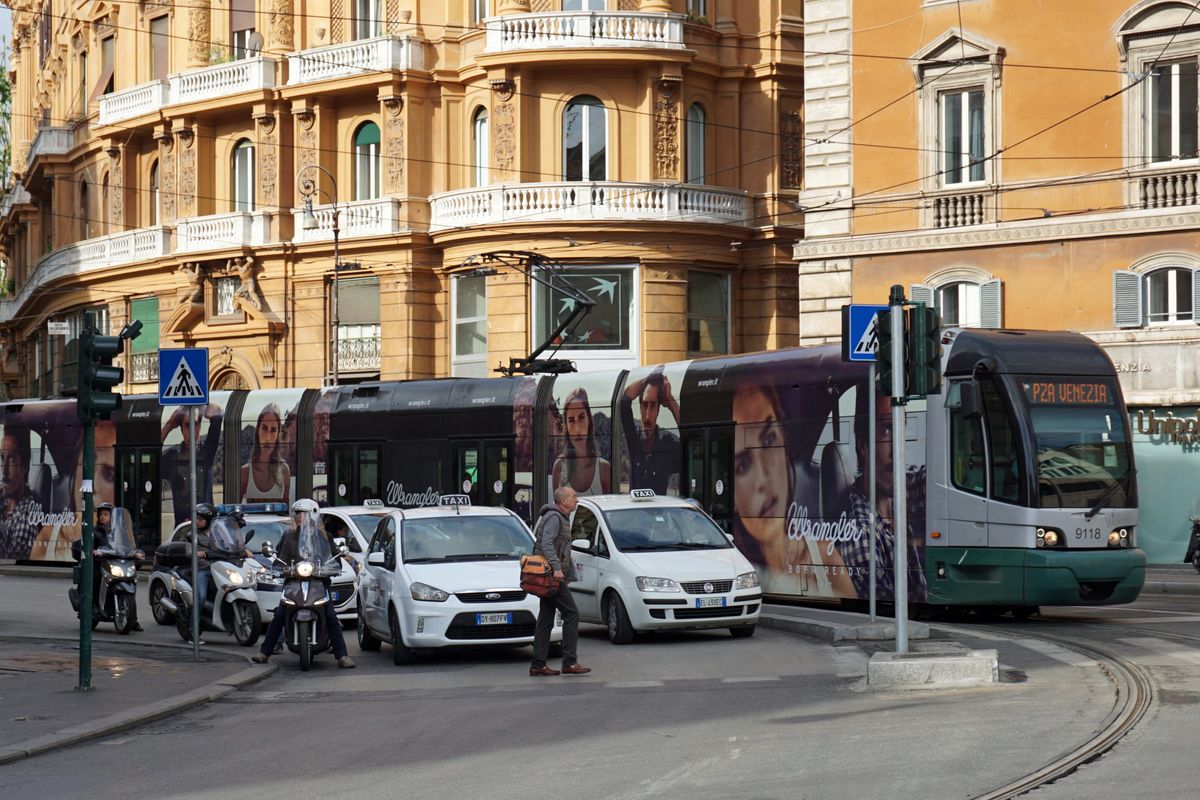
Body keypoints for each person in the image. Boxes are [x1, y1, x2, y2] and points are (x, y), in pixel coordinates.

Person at [730, 380, 855, 597]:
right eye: (742, 465)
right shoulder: (732, 568)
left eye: (769, 440)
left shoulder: (824, 555)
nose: (763, 479)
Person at [837, 391, 928, 603]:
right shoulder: (858, 529)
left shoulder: (893, 499)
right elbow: (882, 597)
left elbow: (926, 481)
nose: (897, 449)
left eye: (900, 428)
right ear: (863, 446)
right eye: (887, 430)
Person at [253, 499, 356, 668]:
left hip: (318, 582)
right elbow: (280, 558)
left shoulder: (324, 537)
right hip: (293, 582)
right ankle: (264, 652)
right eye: (297, 514)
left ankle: (342, 656)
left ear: (313, 515)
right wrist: (279, 567)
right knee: (279, 614)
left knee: (330, 614)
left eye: (304, 514)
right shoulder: (289, 536)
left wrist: (333, 565)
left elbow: (334, 557)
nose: (300, 517)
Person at [529, 486, 591, 677]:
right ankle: (570, 662)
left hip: (551, 575)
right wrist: (557, 569)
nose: (577, 500)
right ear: (563, 501)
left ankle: (538, 665)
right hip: (550, 575)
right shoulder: (555, 518)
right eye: (573, 497)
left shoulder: (559, 517)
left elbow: (563, 549)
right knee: (572, 613)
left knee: (546, 619)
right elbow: (547, 544)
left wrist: (567, 573)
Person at [619, 370, 681, 495]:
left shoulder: (667, 444)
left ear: (658, 410)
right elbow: (625, 399)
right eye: (644, 405)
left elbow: (691, 438)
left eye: (653, 406)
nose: (647, 416)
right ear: (640, 407)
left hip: (659, 513)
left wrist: (671, 401)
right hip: (635, 512)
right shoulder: (634, 439)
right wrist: (648, 380)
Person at [162, 404, 223, 526]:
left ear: (200, 426)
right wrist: (168, 425)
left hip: (205, 529)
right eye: (187, 425)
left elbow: (217, 412)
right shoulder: (172, 457)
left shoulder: (207, 452)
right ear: (181, 429)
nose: (191, 430)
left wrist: (197, 403)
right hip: (181, 529)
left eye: (195, 424)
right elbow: (149, 456)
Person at [551, 388, 611, 497]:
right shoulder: (559, 467)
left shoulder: (603, 469)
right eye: (571, 420)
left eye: (581, 418)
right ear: (566, 426)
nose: (577, 428)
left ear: (589, 420)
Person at [0, 425, 45, 560]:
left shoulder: (29, 513)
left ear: (24, 466)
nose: (4, 470)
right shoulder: (3, 501)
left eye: (12, 459)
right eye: (2, 458)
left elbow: (13, 557)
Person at [239, 403, 291, 504]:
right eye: (264, 428)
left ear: (277, 435)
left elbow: (285, 511)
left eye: (273, 430)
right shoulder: (245, 473)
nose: (268, 438)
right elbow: (235, 512)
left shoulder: (284, 470)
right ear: (258, 430)